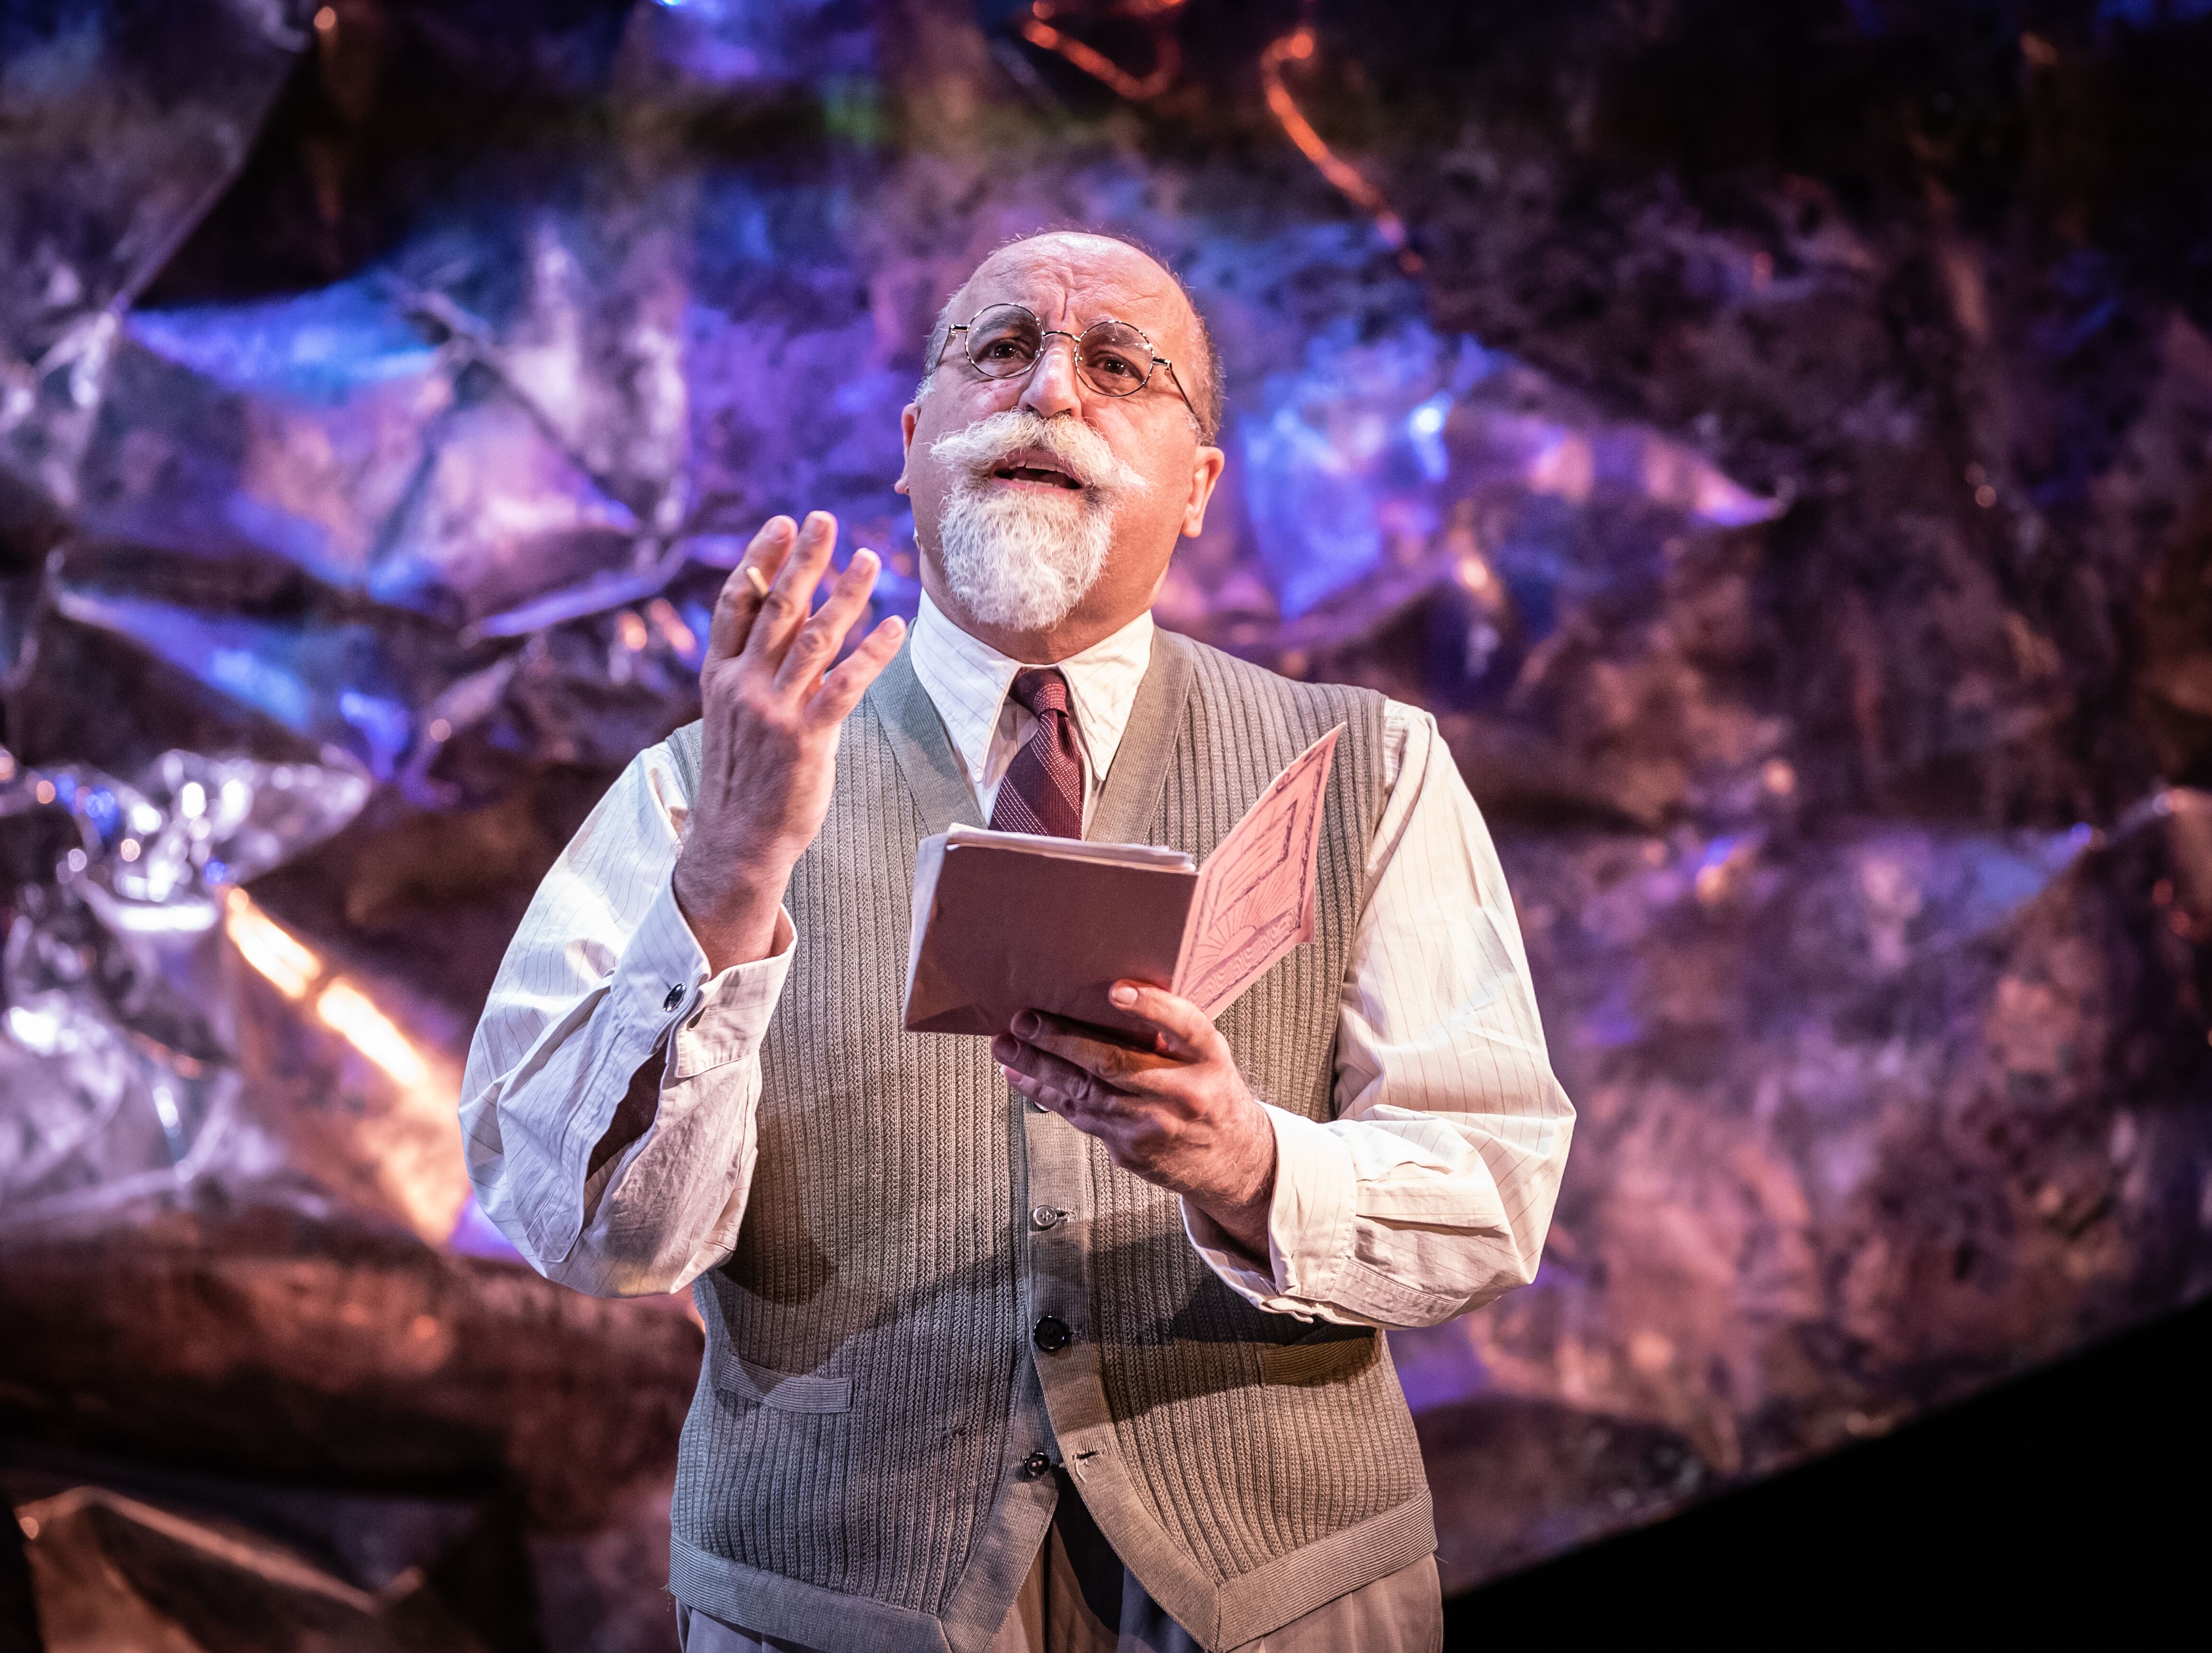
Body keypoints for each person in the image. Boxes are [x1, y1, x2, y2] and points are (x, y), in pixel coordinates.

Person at [462, 231, 1573, 1653]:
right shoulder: (698, 789)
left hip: (1282, 1598)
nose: (1052, 391)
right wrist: (731, 876)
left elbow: (1490, 1190)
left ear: (1199, 490)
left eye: (1122, 366)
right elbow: (598, 1234)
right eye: (1000, 350)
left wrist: (1246, 1163)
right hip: (834, 1603)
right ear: (917, 443)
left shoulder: (1372, 765)